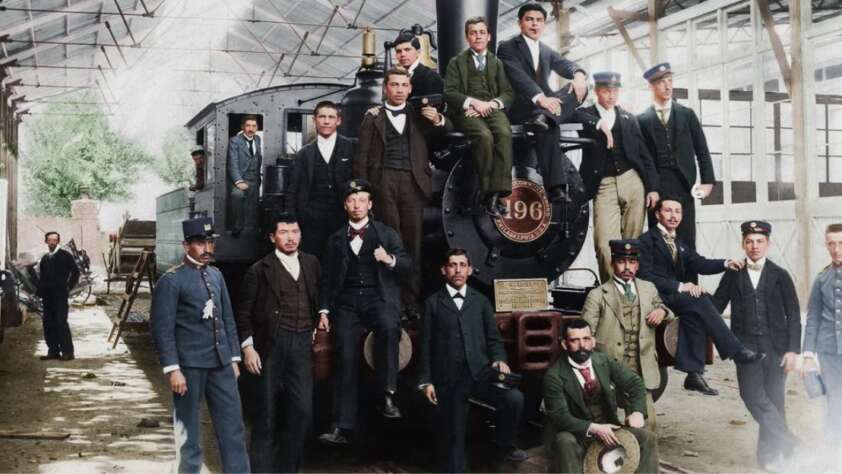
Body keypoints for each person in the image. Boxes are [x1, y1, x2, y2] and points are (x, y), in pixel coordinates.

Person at [149, 217, 248, 473]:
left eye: (210, 243)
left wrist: (234, 359)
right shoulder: (171, 281)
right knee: (188, 431)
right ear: (186, 246)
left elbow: (227, 319)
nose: (207, 249)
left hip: (221, 364)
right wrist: (173, 369)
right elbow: (163, 329)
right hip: (189, 366)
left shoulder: (216, 275)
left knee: (233, 428)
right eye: (200, 244)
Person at [318, 179, 412, 446]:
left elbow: (407, 264)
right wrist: (324, 310)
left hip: (377, 298)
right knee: (344, 355)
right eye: (352, 200)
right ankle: (341, 425)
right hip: (346, 303)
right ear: (345, 205)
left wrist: (390, 260)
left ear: (371, 205)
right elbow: (326, 279)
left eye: (362, 200)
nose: (357, 205)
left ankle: (387, 394)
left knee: (389, 325)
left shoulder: (387, 234)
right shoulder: (335, 239)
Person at [637, 197, 763, 396]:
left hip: (675, 297)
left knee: (695, 312)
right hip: (656, 297)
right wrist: (681, 286)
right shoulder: (646, 241)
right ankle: (735, 350)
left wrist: (725, 263)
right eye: (668, 211)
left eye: (678, 211)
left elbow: (699, 263)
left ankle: (694, 374)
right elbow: (644, 276)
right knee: (698, 299)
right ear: (657, 214)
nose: (673, 216)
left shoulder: (679, 242)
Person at [418, 248, 528, 471]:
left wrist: (499, 359)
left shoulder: (481, 302)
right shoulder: (432, 304)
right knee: (455, 441)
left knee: (514, 399)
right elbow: (425, 346)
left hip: (480, 374)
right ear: (444, 270)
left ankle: (503, 444)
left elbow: (493, 339)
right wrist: (426, 381)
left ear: (469, 270)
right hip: (449, 380)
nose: (457, 270)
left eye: (462, 265)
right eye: (452, 265)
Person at [354, 67, 449, 317]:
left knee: (413, 244)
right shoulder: (372, 116)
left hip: (412, 182)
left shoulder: (419, 115)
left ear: (410, 89)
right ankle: (391, 302)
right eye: (394, 85)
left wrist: (438, 119)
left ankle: (411, 303)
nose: (399, 90)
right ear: (386, 88)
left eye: (403, 85)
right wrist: (363, 192)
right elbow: (361, 157)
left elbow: (444, 132)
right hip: (382, 181)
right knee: (390, 241)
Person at [235, 213, 325, 473]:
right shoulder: (259, 270)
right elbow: (243, 313)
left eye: (294, 232)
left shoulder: (311, 263)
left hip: (301, 346)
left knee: (302, 413)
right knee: (265, 416)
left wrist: (323, 313)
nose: (290, 237)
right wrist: (248, 347)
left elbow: (319, 296)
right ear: (272, 237)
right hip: (269, 347)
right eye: (284, 232)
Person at [711, 221, 800, 470]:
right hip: (744, 348)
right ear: (743, 244)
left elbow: (793, 314)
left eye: (759, 241)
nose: (754, 246)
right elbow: (715, 306)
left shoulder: (780, 275)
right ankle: (791, 444)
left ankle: (769, 460)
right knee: (752, 397)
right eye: (749, 241)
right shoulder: (733, 273)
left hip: (776, 349)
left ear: (768, 244)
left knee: (774, 402)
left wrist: (793, 350)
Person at [572, 72, 659, 284]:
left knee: (631, 246)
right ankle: (612, 294)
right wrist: (598, 123)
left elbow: (644, 155)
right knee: (604, 245)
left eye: (615, 91)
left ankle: (629, 294)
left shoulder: (629, 118)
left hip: (633, 182)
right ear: (596, 91)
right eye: (606, 91)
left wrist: (653, 188)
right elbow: (569, 114)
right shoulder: (586, 114)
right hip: (604, 185)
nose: (611, 95)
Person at [496, 2, 589, 202]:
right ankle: (555, 187)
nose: (534, 24)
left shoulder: (545, 50)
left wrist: (579, 74)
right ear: (520, 23)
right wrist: (541, 99)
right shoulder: (507, 47)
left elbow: (565, 64)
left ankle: (545, 118)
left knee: (580, 87)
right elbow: (519, 77)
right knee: (550, 123)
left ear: (544, 24)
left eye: (539, 20)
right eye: (529, 19)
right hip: (520, 108)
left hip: (543, 111)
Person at [543, 319, 658, 473]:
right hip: (577, 434)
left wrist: (637, 412)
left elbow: (635, 383)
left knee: (648, 439)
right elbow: (560, 417)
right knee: (564, 441)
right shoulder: (554, 375)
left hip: (609, 428)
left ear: (593, 341)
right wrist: (594, 428)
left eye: (586, 339)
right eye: (575, 340)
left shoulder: (603, 361)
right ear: (565, 344)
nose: (582, 345)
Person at [581, 239, 674, 430]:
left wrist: (662, 312)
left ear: (637, 265)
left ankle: (643, 458)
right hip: (610, 367)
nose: (627, 267)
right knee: (608, 426)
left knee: (648, 425)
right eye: (622, 262)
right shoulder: (598, 295)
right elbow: (585, 334)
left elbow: (664, 309)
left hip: (641, 366)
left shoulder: (648, 289)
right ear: (613, 263)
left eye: (631, 262)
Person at [638, 63, 715, 271]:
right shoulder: (642, 120)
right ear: (651, 87)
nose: (667, 86)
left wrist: (708, 182)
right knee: (659, 246)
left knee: (687, 243)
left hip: (684, 187)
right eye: (661, 82)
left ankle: (690, 295)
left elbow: (702, 150)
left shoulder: (687, 114)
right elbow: (643, 160)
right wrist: (650, 189)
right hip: (657, 189)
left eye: (670, 80)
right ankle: (663, 297)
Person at [444, 16, 514, 217]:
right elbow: (449, 92)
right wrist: (473, 103)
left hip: (491, 108)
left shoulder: (497, 63)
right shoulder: (456, 63)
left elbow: (508, 93)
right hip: (467, 111)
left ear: (489, 36)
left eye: (481, 32)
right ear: (467, 37)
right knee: (484, 137)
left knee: (504, 133)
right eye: (473, 33)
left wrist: (492, 104)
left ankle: (498, 193)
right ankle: (486, 191)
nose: (478, 36)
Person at [286, 101, 356, 260]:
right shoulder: (304, 154)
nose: (326, 121)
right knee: (313, 264)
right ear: (314, 120)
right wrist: (291, 223)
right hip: (311, 220)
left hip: (343, 218)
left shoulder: (352, 147)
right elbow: (292, 191)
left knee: (341, 263)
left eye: (331, 117)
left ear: (338, 121)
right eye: (322, 116)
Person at [801, 223, 842, 455]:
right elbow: (813, 319)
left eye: (841, 243)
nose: (836, 249)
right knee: (836, 402)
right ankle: (834, 455)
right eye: (831, 244)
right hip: (829, 353)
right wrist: (807, 356)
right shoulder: (821, 278)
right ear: (826, 245)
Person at [36, 231, 80, 361]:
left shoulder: (65, 256)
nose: (52, 242)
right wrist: (39, 293)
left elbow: (76, 273)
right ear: (46, 242)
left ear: (58, 241)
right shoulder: (45, 258)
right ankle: (53, 351)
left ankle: (68, 353)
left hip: (60, 295)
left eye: (55, 240)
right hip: (47, 296)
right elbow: (42, 278)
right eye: (50, 240)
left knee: (61, 322)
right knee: (48, 323)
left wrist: (68, 287)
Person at [228, 115, 263, 236]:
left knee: (253, 206)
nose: (251, 129)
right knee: (237, 195)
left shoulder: (258, 139)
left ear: (257, 127)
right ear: (242, 127)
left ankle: (250, 231)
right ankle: (237, 225)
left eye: (254, 126)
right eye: (248, 125)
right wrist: (238, 181)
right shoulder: (235, 141)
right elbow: (233, 163)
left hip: (255, 179)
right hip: (242, 178)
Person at [393, 30, 444, 98]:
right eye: (398, 51)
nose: (403, 54)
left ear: (418, 52)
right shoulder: (392, 77)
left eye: (407, 50)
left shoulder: (431, 77)